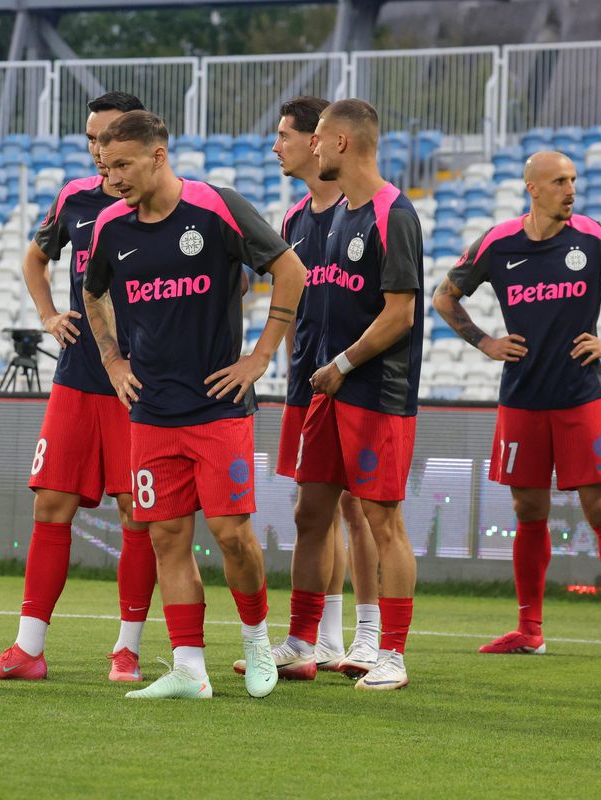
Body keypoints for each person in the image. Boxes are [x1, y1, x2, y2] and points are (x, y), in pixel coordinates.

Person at [83, 110, 307, 699]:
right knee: (166, 539)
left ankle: (257, 641)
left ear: (158, 156)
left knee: (232, 534)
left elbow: (291, 270)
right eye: (106, 168)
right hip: (151, 411)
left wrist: (260, 357)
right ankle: (189, 668)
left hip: (218, 407)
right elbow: (91, 290)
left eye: (123, 165)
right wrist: (113, 361)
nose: (113, 179)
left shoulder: (216, 206)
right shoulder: (110, 226)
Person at [431, 150, 601, 660]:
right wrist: (485, 342)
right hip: (522, 398)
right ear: (533, 188)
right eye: (560, 181)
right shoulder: (498, 243)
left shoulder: (593, 237)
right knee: (528, 509)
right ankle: (529, 631)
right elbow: (444, 297)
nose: (571, 189)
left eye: (573, 180)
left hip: (581, 396)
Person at [0, 92, 158, 684]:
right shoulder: (75, 197)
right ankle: (28, 650)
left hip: (137, 384)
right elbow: (34, 259)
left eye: (108, 139)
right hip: (77, 376)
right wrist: (49, 315)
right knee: (50, 505)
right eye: (91, 139)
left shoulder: (164, 205)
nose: (98, 150)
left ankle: (127, 649)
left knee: (137, 514)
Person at [234, 96, 379, 681]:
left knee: (358, 508)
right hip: (307, 383)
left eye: (285, 135)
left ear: (318, 140)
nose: (277, 146)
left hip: (357, 382)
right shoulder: (294, 221)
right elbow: (290, 305)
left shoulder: (364, 210)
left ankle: (367, 637)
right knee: (316, 509)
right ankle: (323, 638)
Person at [294, 98, 425, 692]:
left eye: (319, 137)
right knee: (311, 511)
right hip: (329, 390)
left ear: (342, 142)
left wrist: (342, 364)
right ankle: (304, 642)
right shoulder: (339, 214)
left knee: (382, 520)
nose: (312, 147)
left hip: (375, 393)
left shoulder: (394, 212)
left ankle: (391, 653)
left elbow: (400, 314)